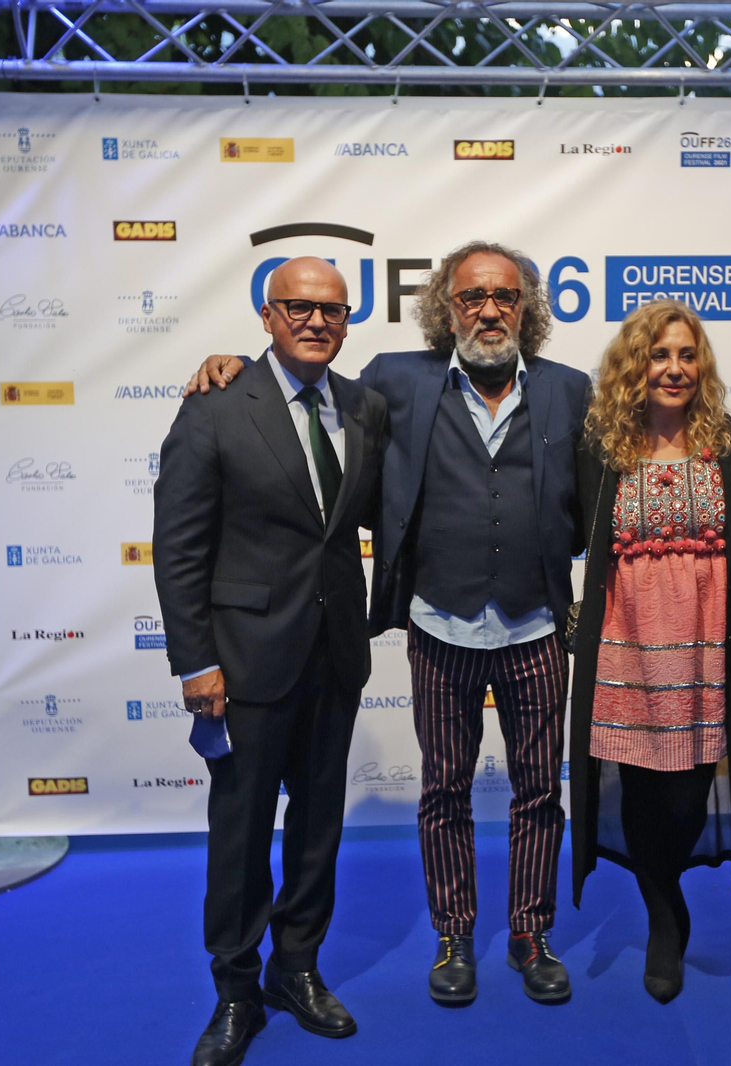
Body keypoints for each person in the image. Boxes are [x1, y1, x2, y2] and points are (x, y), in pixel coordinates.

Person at [185, 242, 589, 1006]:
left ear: (527, 308)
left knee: (540, 790)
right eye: (471, 297)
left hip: (536, 627)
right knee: (444, 790)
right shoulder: (396, 383)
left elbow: (592, 501)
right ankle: (454, 935)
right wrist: (231, 364)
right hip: (438, 625)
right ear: (446, 308)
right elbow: (298, 389)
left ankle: (531, 933)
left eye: (505, 296)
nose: (490, 310)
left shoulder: (570, 390)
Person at [155, 258, 388, 1065]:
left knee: (319, 828)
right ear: (266, 314)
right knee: (241, 832)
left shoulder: (365, 406)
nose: (316, 321)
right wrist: (195, 663)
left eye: (332, 310)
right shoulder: (216, 405)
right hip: (244, 662)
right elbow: (179, 548)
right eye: (298, 307)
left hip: (336, 655)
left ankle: (298, 969)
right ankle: (235, 991)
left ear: (348, 320)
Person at [567, 300, 731, 1004]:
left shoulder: (730, 443)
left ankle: (667, 896)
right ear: (635, 364)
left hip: (705, 647)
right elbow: (565, 527)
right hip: (627, 644)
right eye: (660, 355)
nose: (674, 368)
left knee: (688, 793)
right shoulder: (604, 446)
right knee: (638, 788)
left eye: (688, 355)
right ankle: (665, 920)